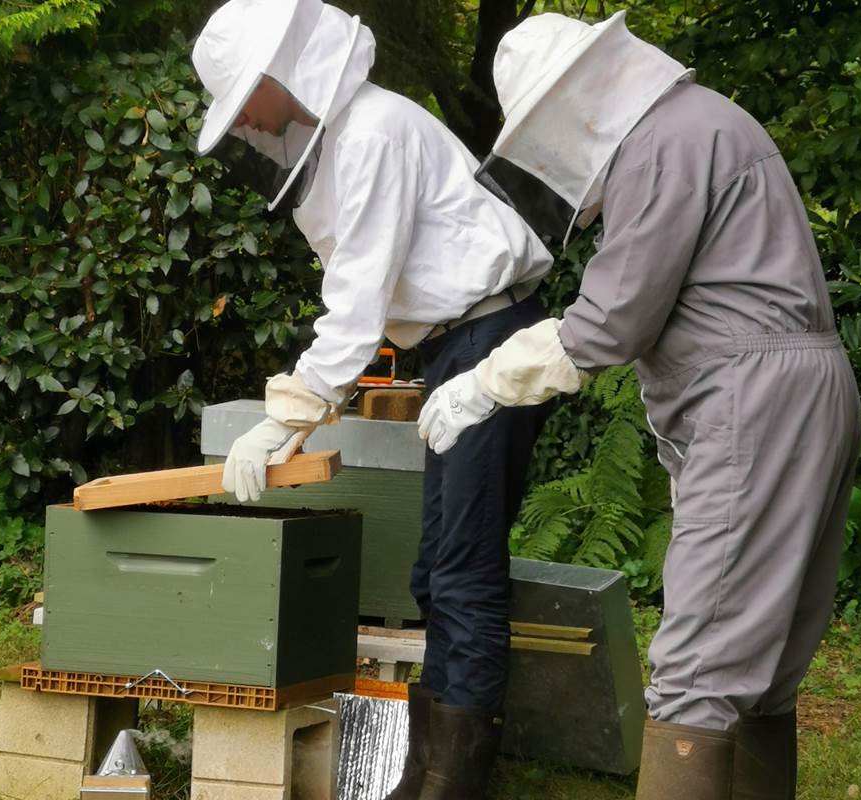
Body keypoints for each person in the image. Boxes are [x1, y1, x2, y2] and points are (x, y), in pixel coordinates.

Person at [416, 11, 861, 800]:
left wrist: (485, 382)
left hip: (750, 402)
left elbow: (611, 320)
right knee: (765, 665)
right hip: (806, 389)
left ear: (580, 100)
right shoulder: (708, 121)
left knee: (695, 668)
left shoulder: (661, 142)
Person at [191, 0, 555, 795]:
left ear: (278, 74)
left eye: (245, 99)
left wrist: (285, 415)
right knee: (438, 573)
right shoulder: (350, 137)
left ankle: (448, 786)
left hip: (488, 343)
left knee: (462, 573)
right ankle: (428, 772)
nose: (246, 121)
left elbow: (356, 303)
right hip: (462, 346)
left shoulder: (373, 134)